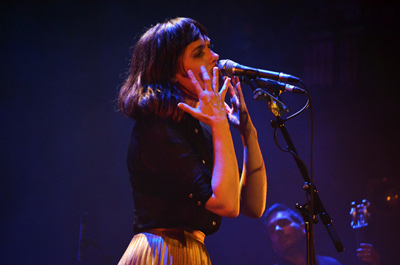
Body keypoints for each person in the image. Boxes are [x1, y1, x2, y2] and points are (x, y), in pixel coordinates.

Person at [117, 17, 267, 265]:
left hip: (189, 253)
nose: (215, 57)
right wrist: (219, 123)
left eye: (209, 47)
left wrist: (248, 134)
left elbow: (252, 205)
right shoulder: (158, 130)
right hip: (161, 254)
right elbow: (227, 205)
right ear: (171, 73)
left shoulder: (196, 129)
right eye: (200, 52)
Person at [263, 203, 342, 265]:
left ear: (303, 228)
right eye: (272, 230)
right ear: (273, 246)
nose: (277, 230)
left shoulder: (331, 263)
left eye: (284, 223)